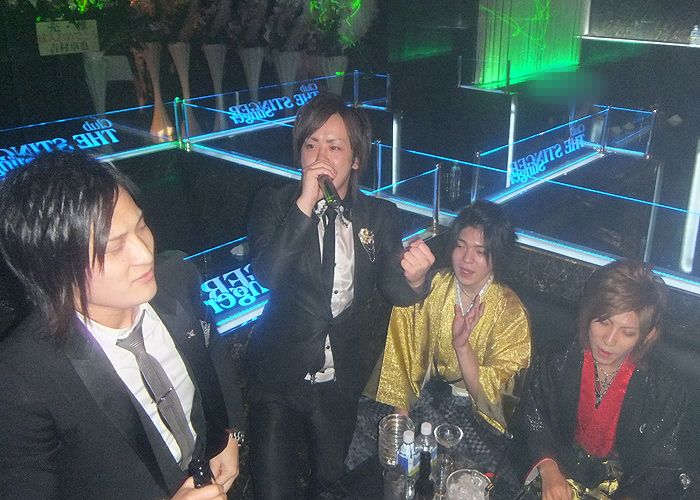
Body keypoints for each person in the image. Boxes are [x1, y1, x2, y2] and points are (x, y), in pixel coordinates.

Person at [0, 151, 245, 500]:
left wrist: (230, 433)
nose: (145, 254)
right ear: (55, 268)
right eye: (114, 248)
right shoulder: (22, 377)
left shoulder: (176, 278)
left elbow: (212, 352)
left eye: (141, 226)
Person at [246, 92, 435, 499]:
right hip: (278, 373)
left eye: (334, 147)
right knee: (271, 490)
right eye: (310, 145)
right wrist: (305, 203)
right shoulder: (274, 203)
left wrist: (418, 278)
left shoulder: (379, 216)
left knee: (331, 484)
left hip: (339, 380)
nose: (320, 157)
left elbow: (394, 288)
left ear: (356, 159)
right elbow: (268, 275)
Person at [514, 260, 696, 500]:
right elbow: (534, 418)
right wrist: (549, 469)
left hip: (625, 487)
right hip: (560, 471)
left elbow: (664, 466)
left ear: (647, 335)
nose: (609, 340)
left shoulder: (665, 388)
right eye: (603, 321)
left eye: (627, 332)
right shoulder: (555, 360)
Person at [375, 202, 530, 457]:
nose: (467, 259)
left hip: (473, 414)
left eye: (480, 251)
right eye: (461, 245)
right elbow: (403, 352)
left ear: (498, 255)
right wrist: (402, 426)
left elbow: (498, 397)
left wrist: (462, 347)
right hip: (422, 399)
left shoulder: (510, 311)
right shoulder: (432, 285)